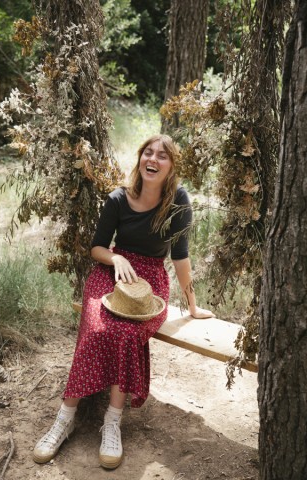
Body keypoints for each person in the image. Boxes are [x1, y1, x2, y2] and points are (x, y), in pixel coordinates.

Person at [32, 134, 215, 469]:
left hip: (150, 283)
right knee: (97, 328)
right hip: (110, 272)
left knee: (127, 334)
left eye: (162, 156)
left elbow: (181, 257)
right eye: (148, 153)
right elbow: (97, 248)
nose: (154, 159)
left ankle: (112, 422)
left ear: (171, 165)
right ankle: (64, 418)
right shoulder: (118, 198)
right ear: (140, 158)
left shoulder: (179, 201)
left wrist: (191, 305)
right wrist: (115, 259)